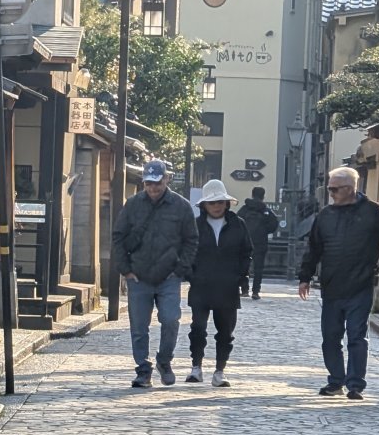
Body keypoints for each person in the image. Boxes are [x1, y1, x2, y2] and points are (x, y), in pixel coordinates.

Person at [297, 166, 379, 400]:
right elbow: (313, 249)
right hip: (332, 286)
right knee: (330, 338)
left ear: (349, 189)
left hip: (360, 284)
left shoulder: (372, 212)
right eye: (329, 189)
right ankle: (336, 381)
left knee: (356, 336)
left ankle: (355, 385)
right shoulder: (325, 215)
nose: (331, 193)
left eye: (334, 189)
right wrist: (305, 277)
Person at [112, 159, 198, 388]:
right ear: (144, 183)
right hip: (138, 276)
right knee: (139, 327)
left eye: (157, 183)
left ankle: (164, 360)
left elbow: (191, 240)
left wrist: (180, 269)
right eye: (149, 183)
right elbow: (118, 237)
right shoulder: (132, 205)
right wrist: (125, 270)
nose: (153, 188)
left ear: (166, 179)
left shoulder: (181, 206)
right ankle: (143, 370)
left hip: (169, 277)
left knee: (171, 320)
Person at [185, 179, 253, 386]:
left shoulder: (238, 224)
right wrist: (191, 274)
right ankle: (196, 367)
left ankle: (219, 371)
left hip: (227, 286)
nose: (216, 206)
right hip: (201, 285)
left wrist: (240, 276)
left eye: (220, 202)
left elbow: (246, 252)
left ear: (226, 203)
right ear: (204, 205)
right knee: (198, 329)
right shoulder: (195, 225)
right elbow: (187, 251)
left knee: (225, 332)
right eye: (212, 203)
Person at [237, 185, 279, 299]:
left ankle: (244, 290)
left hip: (245, 242)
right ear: (263, 196)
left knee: (244, 266)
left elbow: (237, 221)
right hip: (260, 242)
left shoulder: (245, 209)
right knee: (258, 268)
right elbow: (274, 224)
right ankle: (255, 291)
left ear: (252, 194)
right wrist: (264, 231)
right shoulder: (266, 211)